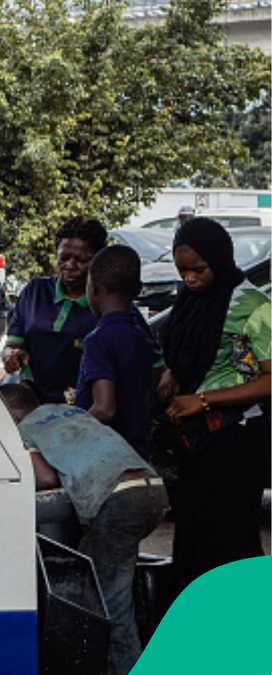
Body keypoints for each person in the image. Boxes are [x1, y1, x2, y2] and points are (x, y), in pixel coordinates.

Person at [0, 384, 167, 675]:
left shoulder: (22, 431)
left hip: (118, 499)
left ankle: (128, 667)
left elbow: (47, 479)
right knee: (108, 573)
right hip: (152, 490)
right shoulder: (70, 411)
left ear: (9, 414)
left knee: (102, 595)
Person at [157, 217, 271, 592]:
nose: (189, 278)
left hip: (238, 442)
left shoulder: (252, 307)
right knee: (192, 538)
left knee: (232, 540)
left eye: (198, 270)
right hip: (197, 442)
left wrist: (203, 400)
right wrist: (172, 372)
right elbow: (188, 346)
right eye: (182, 271)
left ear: (220, 261)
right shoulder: (192, 298)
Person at [4, 217, 109, 403]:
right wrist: (11, 356)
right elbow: (12, 345)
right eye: (64, 258)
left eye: (81, 260)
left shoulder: (107, 304)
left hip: (84, 407)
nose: (69, 265)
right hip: (32, 401)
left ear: (97, 261)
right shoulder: (35, 291)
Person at [75, 245, 161, 457]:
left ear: (93, 289)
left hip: (108, 454)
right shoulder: (141, 336)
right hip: (140, 451)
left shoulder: (98, 340)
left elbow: (105, 408)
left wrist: (72, 428)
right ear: (138, 289)